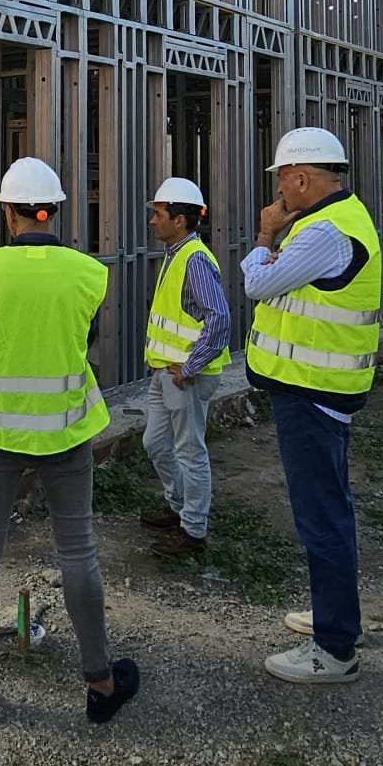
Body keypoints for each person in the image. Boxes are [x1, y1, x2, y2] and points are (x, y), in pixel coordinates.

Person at [0, 157, 140, 724]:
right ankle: (99, 680)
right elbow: (84, 336)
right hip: (66, 432)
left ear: (8, 214)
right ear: (57, 212)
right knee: (78, 551)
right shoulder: (88, 273)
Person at [243, 126, 382, 686]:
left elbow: (257, 282)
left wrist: (263, 235)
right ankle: (337, 617)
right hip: (318, 388)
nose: (278, 192)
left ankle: (335, 649)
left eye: (281, 179)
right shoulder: (340, 220)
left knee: (321, 515)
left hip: (311, 392)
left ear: (302, 178)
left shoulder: (322, 232)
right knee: (333, 508)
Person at [139, 177, 232, 558]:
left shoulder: (193, 259)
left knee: (189, 451)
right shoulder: (176, 254)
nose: (152, 221)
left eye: (158, 215)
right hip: (166, 373)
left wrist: (190, 365)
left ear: (180, 220)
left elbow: (220, 320)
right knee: (155, 442)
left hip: (185, 376)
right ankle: (178, 506)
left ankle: (193, 529)